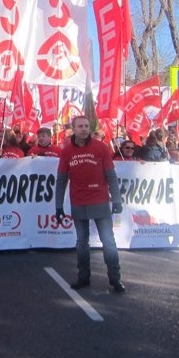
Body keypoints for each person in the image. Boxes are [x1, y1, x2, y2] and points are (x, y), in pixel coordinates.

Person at [55, 116, 125, 294]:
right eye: (80, 126)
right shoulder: (66, 151)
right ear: (73, 129)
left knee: (108, 241)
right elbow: (61, 180)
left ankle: (115, 278)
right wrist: (58, 206)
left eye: (86, 126)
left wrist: (116, 199)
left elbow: (111, 175)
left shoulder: (101, 147)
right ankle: (83, 277)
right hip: (78, 202)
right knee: (81, 243)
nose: (84, 129)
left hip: (100, 201)